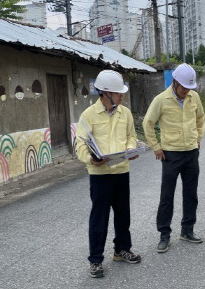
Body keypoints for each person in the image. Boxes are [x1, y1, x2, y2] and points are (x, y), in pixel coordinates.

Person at [76, 70, 141, 278]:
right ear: (105, 93)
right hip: (99, 174)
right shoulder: (88, 116)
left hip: (121, 171)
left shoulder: (125, 113)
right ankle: (95, 260)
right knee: (99, 218)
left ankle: (122, 250)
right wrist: (91, 159)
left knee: (123, 214)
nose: (122, 96)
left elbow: (131, 136)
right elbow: (80, 145)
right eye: (117, 93)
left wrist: (131, 149)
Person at [142, 63, 205, 253]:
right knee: (167, 196)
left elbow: (201, 118)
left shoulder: (194, 97)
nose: (187, 91)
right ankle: (164, 235)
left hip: (191, 153)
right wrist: (156, 147)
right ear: (175, 82)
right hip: (170, 155)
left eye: (189, 87)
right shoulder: (161, 100)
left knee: (191, 194)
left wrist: (198, 138)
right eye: (184, 87)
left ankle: (187, 230)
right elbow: (148, 123)